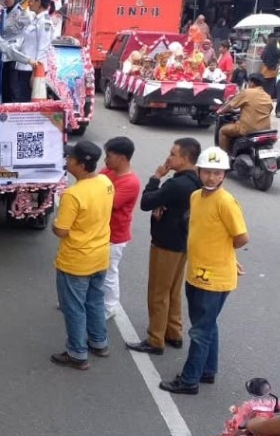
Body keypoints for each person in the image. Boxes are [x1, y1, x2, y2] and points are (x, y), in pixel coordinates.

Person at [159, 147, 248, 394]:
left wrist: (226, 256)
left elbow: (242, 237)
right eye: (207, 172)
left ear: (224, 175)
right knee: (206, 325)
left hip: (214, 279)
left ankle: (189, 380)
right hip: (196, 273)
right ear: (198, 171)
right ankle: (207, 370)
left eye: (217, 173)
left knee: (200, 331)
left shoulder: (226, 202)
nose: (212, 177)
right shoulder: (195, 196)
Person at [126, 138, 202, 355]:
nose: (168, 157)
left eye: (173, 154)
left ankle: (155, 339)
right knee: (173, 290)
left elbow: (146, 202)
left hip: (166, 243)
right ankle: (173, 332)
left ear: (185, 158)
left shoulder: (176, 184)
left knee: (158, 291)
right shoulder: (197, 180)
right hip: (183, 241)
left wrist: (156, 177)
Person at [50, 141, 114, 371]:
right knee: (94, 300)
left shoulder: (73, 194)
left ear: (79, 164)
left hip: (76, 261)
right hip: (100, 256)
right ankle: (99, 342)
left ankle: (77, 353)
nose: (66, 161)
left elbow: (61, 230)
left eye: (70, 158)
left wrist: (55, 224)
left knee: (74, 307)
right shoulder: (106, 183)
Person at [99, 137, 140, 319]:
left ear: (122, 158)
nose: (105, 160)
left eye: (109, 156)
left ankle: (109, 307)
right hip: (100, 232)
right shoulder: (108, 171)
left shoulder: (130, 182)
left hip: (115, 236)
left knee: (109, 273)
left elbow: (108, 203)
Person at [9, 0, 54, 102]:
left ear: (39, 2)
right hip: (23, 68)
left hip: (31, 71)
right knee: (19, 101)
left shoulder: (45, 22)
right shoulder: (35, 19)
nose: (29, 2)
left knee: (26, 104)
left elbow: (42, 50)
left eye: (32, 0)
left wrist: (36, 74)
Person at [216, 74, 273, 154]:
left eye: (248, 82)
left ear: (252, 82)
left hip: (248, 129)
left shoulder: (247, 92)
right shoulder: (267, 96)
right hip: (265, 130)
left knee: (223, 131)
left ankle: (224, 156)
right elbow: (269, 110)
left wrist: (220, 111)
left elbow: (230, 105)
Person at [0, 0, 31, 103]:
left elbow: (28, 32)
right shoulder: (1, 11)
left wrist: (19, 45)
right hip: (3, 53)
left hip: (15, 54)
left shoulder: (22, 13)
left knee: (13, 85)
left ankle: (14, 107)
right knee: (4, 85)